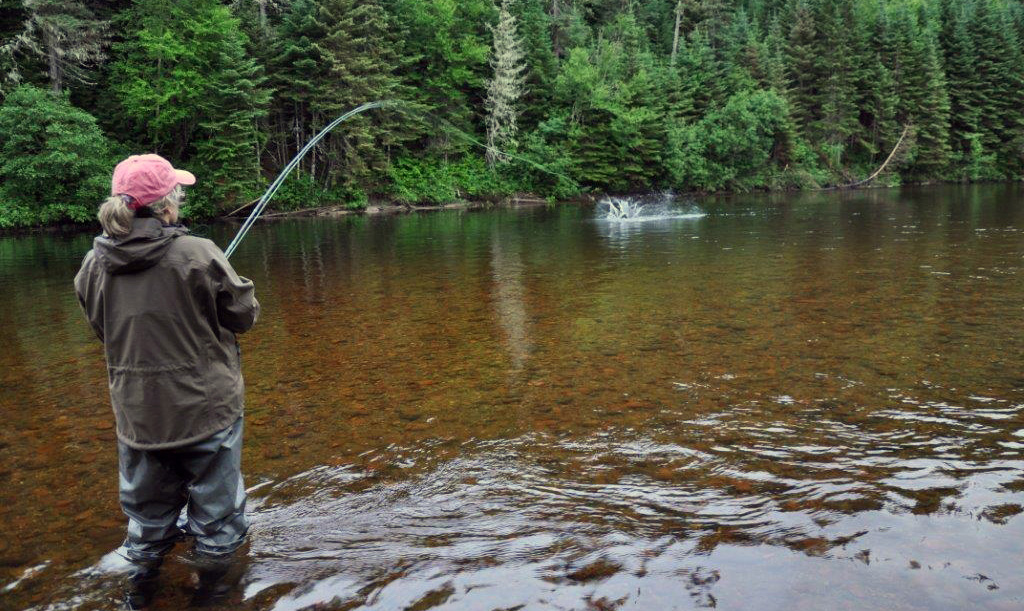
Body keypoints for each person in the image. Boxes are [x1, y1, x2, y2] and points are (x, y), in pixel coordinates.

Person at [74, 154, 260, 608]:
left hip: (138, 416)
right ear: (166, 205)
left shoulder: (91, 265)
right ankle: (214, 596)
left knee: (147, 529)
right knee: (217, 528)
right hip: (206, 411)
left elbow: (104, 330)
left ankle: (139, 596)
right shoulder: (197, 252)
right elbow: (243, 316)